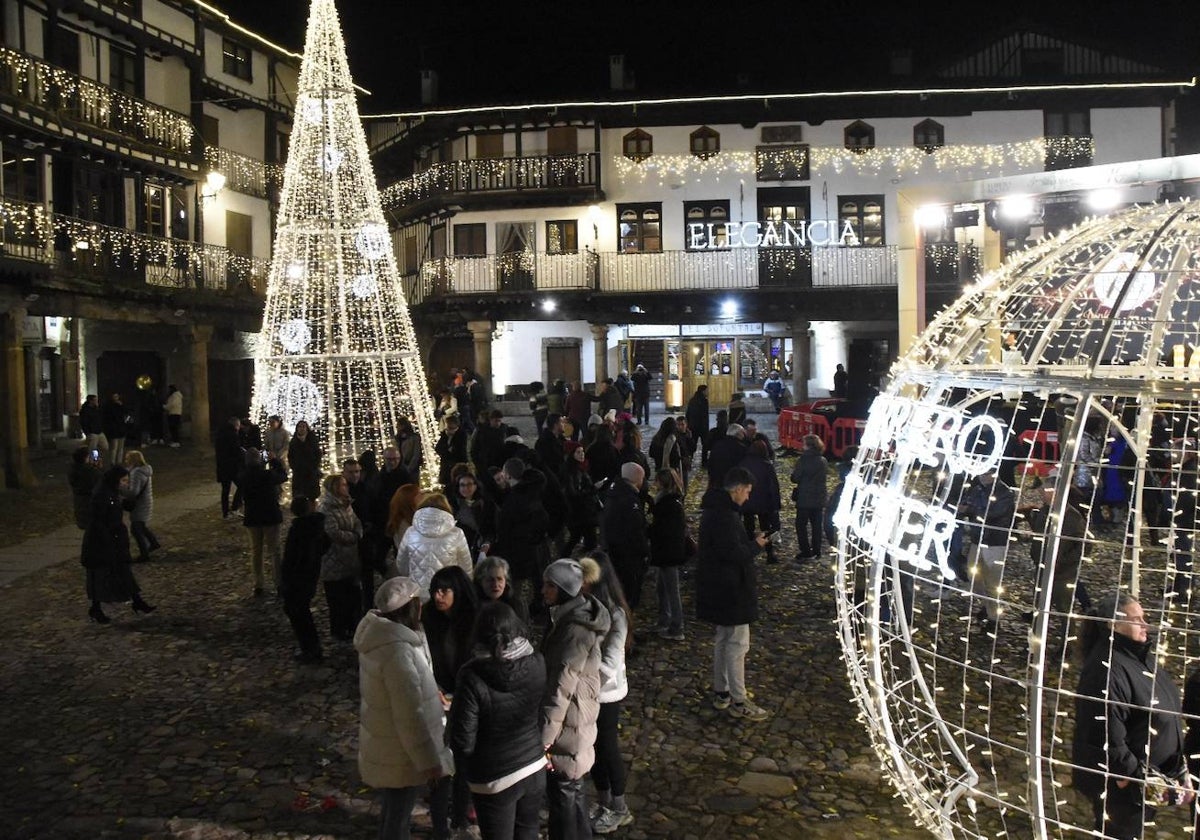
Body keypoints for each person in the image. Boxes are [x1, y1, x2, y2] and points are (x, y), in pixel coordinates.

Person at [1073, 594, 1192, 838]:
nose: (1145, 624)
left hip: (1147, 776)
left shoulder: (1138, 654)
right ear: (1113, 625)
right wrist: (1129, 778)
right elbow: (1106, 733)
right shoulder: (1106, 670)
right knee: (1120, 832)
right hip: (1126, 787)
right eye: (1136, 619)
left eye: (1143, 617)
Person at [354, 577, 454, 840]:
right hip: (401, 751)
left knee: (393, 807)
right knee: (398, 816)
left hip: (388, 744)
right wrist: (429, 761)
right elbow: (409, 715)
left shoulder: (382, 639)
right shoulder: (398, 652)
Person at [448, 601, 546, 840]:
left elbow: (463, 741)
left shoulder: (471, 675)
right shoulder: (537, 661)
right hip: (533, 765)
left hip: (494, 777)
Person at [540, 558, 611, 840]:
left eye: (549, 586)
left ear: (564, 590)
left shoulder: (572, 630)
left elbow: (561, 687)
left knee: (563, 795)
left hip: (570, 722)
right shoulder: (572, 618)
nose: (543, 590)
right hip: (577, 718)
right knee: (573, 788)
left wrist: (545, 735)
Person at [696, 466, 769, 721]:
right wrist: (756, 545)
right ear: (737, 489)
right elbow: (733, 554)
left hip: (718, 588)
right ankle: (739, 699)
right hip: (732, 590)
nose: (747, 497)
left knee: (724, 641)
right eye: (747, 492)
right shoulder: (725, 516)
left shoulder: (716, 511)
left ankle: (722, 692)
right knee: (737, 644)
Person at [422, 566, 479, 840]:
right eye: (435, 590)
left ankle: (460, 814)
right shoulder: (428, 619)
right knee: (442, 761)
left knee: (464, 758)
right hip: (438, 697)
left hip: (466, 698)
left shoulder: (473, 620)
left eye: (444, 590)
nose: (438, 596)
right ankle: (441, 822)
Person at [578, 554, 633, 834]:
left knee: (607, 748)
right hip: (587, 693)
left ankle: (620, 807)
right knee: (593, 749)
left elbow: (610, 663)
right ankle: (604, 801)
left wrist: (581, 674)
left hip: (606, 694)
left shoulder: (616, 615)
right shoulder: (583, 607)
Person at [81, 465, 156, 623]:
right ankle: (96, 608)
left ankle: (137, 601)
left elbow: (116, 507)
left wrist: (127, 503)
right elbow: (98, 520)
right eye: (123, 480)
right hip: (101, 542)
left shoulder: (111, 491)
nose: (125, 484)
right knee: (101, 576)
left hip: (114, 539)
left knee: (123, 571)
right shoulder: (101, 494)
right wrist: (108, 540)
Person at [959, 468, 1016, 631]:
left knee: (992, 582)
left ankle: (994, 619)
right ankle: (987, 605)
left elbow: (993, 513)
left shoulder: (1005, 493)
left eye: (985, 474)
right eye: (980, 474)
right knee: (973, 576)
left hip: (995, 543)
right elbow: (969, 502)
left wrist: (969, 510)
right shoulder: (977, 489)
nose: (982, 477)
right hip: (978, 540)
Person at [491, 458, 550, 608]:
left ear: (508, 475)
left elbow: (505, 531)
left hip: (520, 551)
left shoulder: (514, 500)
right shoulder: (534, 489)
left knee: (515, 593)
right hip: (536, 545)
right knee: (538, 581)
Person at [394, 493, 473, 602]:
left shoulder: (411, 532)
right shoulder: (457, 533)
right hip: (446, 594)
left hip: (417, 594)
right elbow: (466, 567)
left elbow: (401, 565)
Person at [281, 495, 330, 663]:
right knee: (301, 612)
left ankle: (311, 648)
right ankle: (311, 647)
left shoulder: (300, 530)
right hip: (309, 577)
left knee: (299, 613)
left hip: (298, 579)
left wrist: (286, 580)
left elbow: (293, 559)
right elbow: (325, 545)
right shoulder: (316, 526)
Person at [320, 473, 364, 641]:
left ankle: (352, 625)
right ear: (335, 488)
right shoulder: (327, 508)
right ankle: (339, 629)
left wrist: (358, 532)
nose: (347, 487)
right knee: (337, 599)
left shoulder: (346, 504)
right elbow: (333, 532)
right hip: (335, 560)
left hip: (349, 559)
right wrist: (353, 537)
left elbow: (356, 521)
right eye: (343, 485)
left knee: (351, 595)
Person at [239, 448, 288, 597]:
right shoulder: (266, 475)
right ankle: (279, 582)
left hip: (253, 517)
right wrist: (274, 461)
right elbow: (283, 476)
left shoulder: (243, 476)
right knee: (275, 551)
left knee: (256, 551)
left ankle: (258, 584)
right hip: (269, 515)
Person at [600, 462, 648, 612]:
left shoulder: (613, 493)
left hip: (614, 550)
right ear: (637, 479)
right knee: (628, 595)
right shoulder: (630, 500)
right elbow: (636, 531)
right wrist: (644, 552)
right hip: (627, 556)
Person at [648, 468, 687, 640]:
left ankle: (677, 626)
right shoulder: (672, 502)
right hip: (668, 550)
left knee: (671, 590)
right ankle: (664, 620)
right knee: (662, 588)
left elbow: (662, 529)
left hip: (667, 551)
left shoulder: (667, 504)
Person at [739, 440, 780, 564]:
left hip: (747, 501)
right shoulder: (766, 465)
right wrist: (776, 504)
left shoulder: (743, 463)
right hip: (764, 502)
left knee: (748, 528)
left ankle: (749, 553)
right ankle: (769, 553)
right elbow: (774, 486)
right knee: (766, 528)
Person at [790, 434, 828, 562]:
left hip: (805, 498)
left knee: (801, 525)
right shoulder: (823, 460)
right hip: (819, 497)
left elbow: (795, 478)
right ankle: (816, 550)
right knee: (816, 525)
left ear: (808, 445)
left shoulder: (803, 460)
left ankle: (805, 550)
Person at [560, 441, 601, 556]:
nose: (582, 454)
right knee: (581, 538)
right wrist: (593, 489)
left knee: (580, 537)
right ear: (571, 454)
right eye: (578, 452)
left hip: (582, 512)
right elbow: (573, 493)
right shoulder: (571, 471)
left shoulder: (578, 467)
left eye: (582, 451)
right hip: (579, 513)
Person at [121, 450, 160, 563]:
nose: (126, 461)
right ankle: (153, 543)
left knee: (136, 529)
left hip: (140, 504)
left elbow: (133, 492)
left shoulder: (137, 473)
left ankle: (144, 554)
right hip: (144, 502)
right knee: (141, 526)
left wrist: (121, 489)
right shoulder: (143, 471)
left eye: (128, 458)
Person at [451, 470, 496, 560]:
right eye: (462, 485)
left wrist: (487, 544)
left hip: (480, 550)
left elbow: (491, 528)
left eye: (469, 484)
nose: (466, 488)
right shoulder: (454, 505)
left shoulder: (486, 504)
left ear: (475, 486)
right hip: (460, 550)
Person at [474, 555, 530, 626]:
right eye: (490, 580)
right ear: (480, 581)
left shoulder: (517, 604)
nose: (495, 584)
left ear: (506, 581)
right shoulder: (473, 605)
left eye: (499, 579)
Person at [214, 416, 244, 519]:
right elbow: (236, 451)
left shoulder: (220, 434)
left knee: (225, 491)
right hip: (232, 467)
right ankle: (235, 507)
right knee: (242, 485)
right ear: (236, 425)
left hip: (222, 467)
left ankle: (225, 513)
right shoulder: (233, 435)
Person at [69, 446, 103, 530]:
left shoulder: (73, 469)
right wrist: (97, 468)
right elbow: (99, 482)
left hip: (79, 502)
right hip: (89, 502)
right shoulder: (89, 471)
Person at [706, 423, 748, 490]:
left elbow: (710, 464)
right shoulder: (741, 448)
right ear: (738, 434)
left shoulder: (717, 445)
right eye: (743, 433)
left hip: (718, 481)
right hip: (733, 483)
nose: (744, 435)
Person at [288, 420, 322, 501]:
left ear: (307, 428)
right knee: (299, 495)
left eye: (303, 426)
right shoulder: (294, 441)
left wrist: (315, 466)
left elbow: (317, 453)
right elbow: (290, 455)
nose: (301, 428)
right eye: (300, 427)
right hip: (298, 472)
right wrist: (293, 466)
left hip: (311, 472)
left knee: (312, 496)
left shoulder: (312, 439)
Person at [436, 415, 469, 490]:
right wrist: (447, 449)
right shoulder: (445, 434)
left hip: (457, 463)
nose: (448, 427)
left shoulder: (461, 434)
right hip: (446, 464)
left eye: (450, 425)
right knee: (447, 486)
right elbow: (438, 448)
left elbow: (460, 450)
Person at [102, 393, 129, 468]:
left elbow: (125, 413)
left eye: (117, 396)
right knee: (114, 447)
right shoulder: (109, 407)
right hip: (114, 429)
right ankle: (112, 462)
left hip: (120, 429)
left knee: (120, 447)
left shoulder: (121, 406)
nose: (116, 398)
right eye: (114, 396)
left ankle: (118, 461)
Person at [686, 386, 710, 467]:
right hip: (702, 427)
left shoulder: (692, 400)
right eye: (707, 390)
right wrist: (706, 428)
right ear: (703, 391)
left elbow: (687, 414)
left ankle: (689, 462)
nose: (708, 392)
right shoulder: (704, 401)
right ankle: (704, 462)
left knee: (692, 445)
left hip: (693, 426)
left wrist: (688, 425)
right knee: (705, 445)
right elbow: (705, 416)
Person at [80, 395, 107, 464]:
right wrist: (88, 432)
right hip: (92, 432)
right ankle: (92, 462)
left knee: (105, 446)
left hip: (99, 431)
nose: (96, 401)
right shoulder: (85, 410)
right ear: (91, 401)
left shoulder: (96, 409)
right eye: (95, 400)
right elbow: (84, 422)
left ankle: (96, 458)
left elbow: (100, 418)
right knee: (92, 449)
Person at [396, 417, 424, 484]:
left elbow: (416, 454)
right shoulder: (398, 438)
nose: (397, 427)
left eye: (399, 425)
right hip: (401, 467)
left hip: (411, 466)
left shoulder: (414, 438)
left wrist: (410, 467)